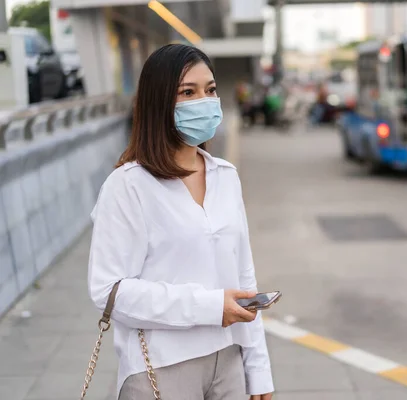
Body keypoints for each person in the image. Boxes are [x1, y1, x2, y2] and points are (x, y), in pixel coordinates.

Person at [87, 44, 274, 400]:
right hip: (159, 367)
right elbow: (108, 291)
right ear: (159, 102)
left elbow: (244, 278)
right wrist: (210, 306)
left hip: (229, 362)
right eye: (188, 92)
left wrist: (259, 371)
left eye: (210, 90)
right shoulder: (128, 185)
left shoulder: (226, 176)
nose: (204, 101)